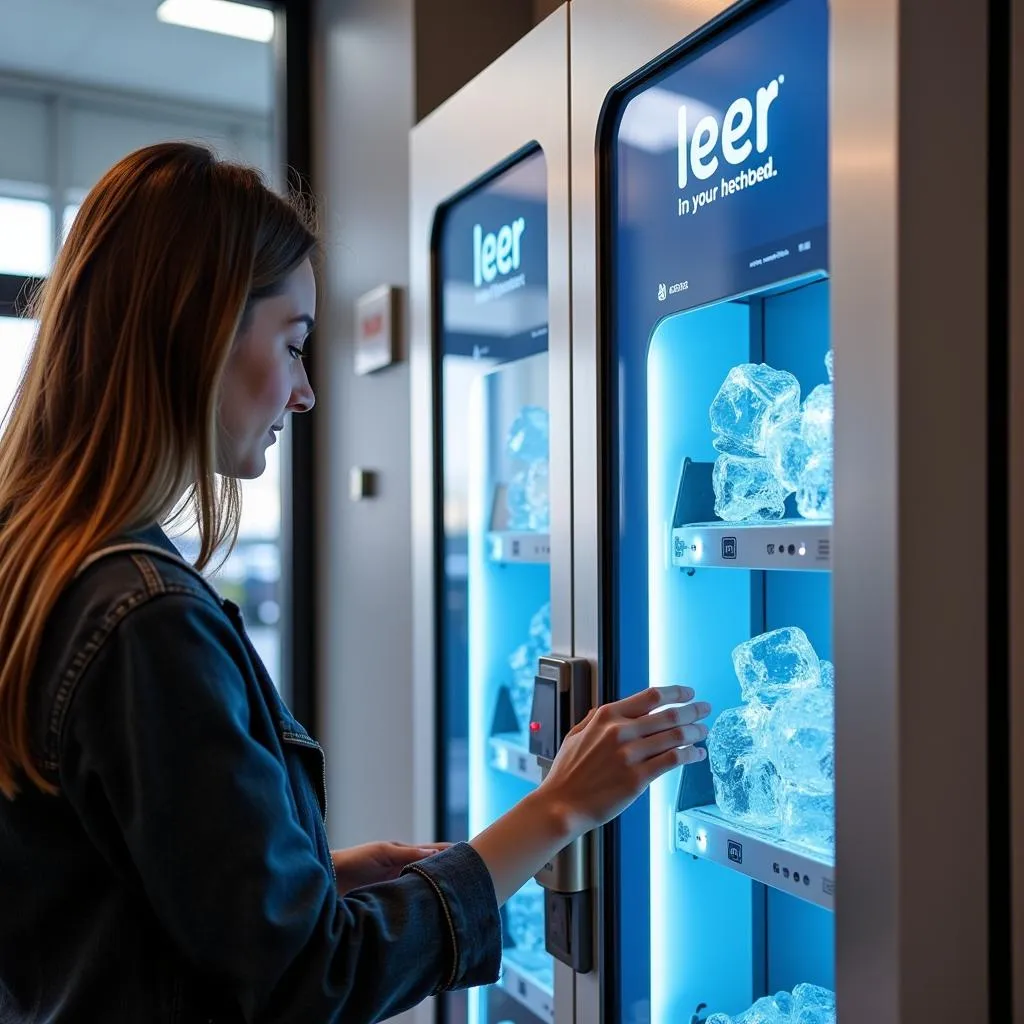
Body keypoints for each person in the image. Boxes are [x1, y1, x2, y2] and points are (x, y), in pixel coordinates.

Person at [0, 142, 711, 1024]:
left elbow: (96, 895)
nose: (304, 394)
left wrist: (310, 880)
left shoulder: (40, 568)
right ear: (202, 330)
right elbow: (310, 982)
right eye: (293, 347)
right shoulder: (144, 620)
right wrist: (560, 807)